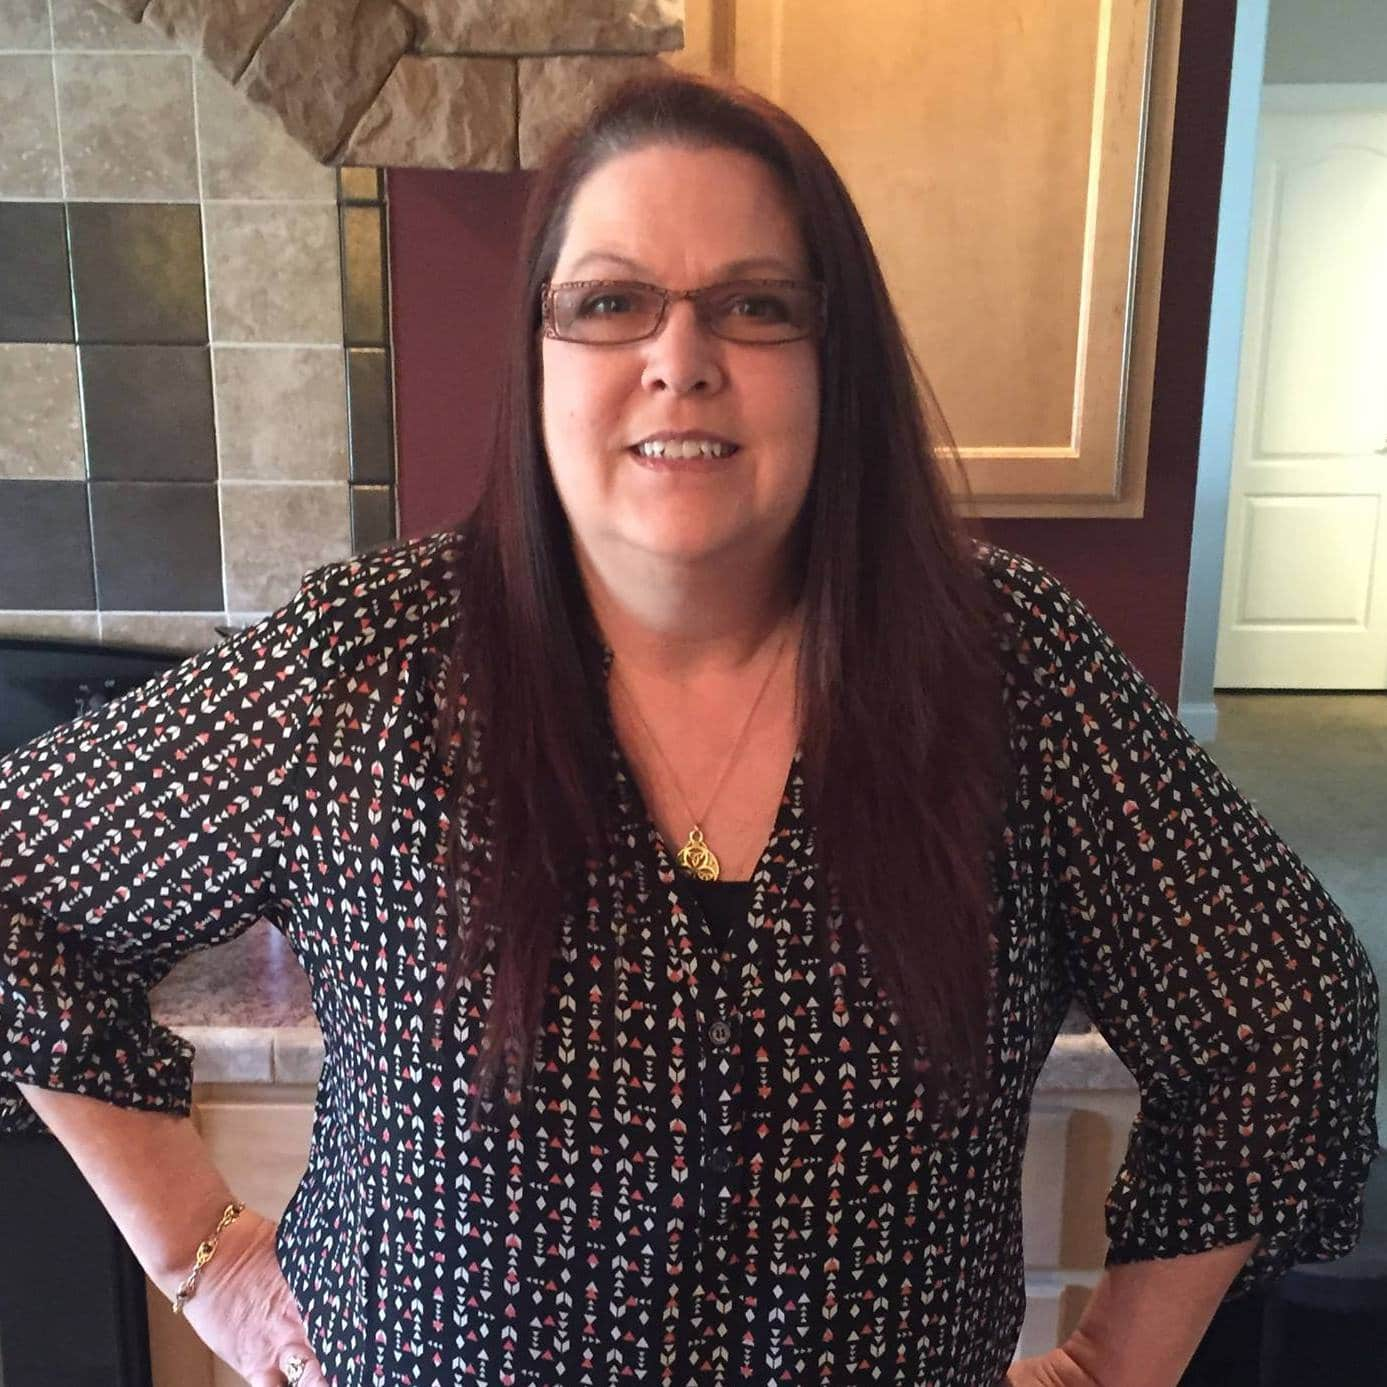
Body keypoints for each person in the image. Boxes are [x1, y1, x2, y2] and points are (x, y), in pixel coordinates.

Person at [0, 71, 1379, 1387]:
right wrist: (201, 1248)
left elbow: (1285, 1020)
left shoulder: (1005, 669)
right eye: (608, 302)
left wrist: (1109, 1358)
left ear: (834, 353)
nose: (681, 359)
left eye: (755, 305)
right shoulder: (364, 671)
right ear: (535, 354)